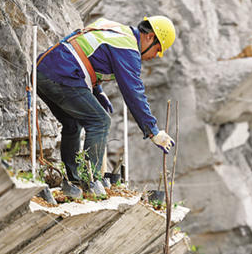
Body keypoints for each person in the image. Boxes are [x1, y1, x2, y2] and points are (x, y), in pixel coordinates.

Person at [35, 16, 177, 197]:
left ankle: (75, 180)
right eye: (158, 49)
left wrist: (98, 91)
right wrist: (153, 131)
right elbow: (134, 92)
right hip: (62, 74)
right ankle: (91, 181)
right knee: (100, 121)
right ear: (150, 37)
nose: (155, 56)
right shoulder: (128, 48)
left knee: (73, 124)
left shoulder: (115, 29)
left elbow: (85, 54)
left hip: (44, 71)